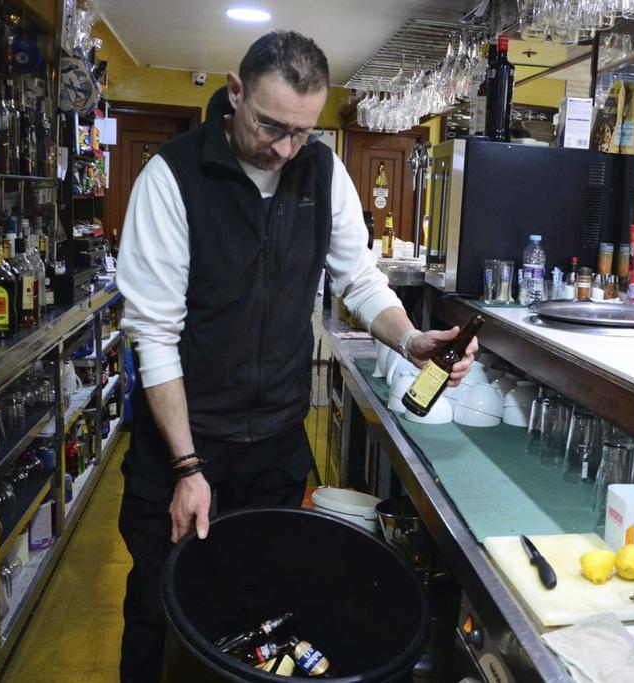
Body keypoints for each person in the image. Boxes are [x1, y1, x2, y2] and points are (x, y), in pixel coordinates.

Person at [114, 31, 478, 683]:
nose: (285, 148)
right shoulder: (170, 178)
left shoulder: (322, 171)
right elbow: (155, 337)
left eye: (301, 133)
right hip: (182, 446)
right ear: (234, 93)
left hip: (274, 444)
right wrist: (188, 467)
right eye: (270, 125)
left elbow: (360, 280)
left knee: (268, 608)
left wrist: (413, 340)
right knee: (160, 606)